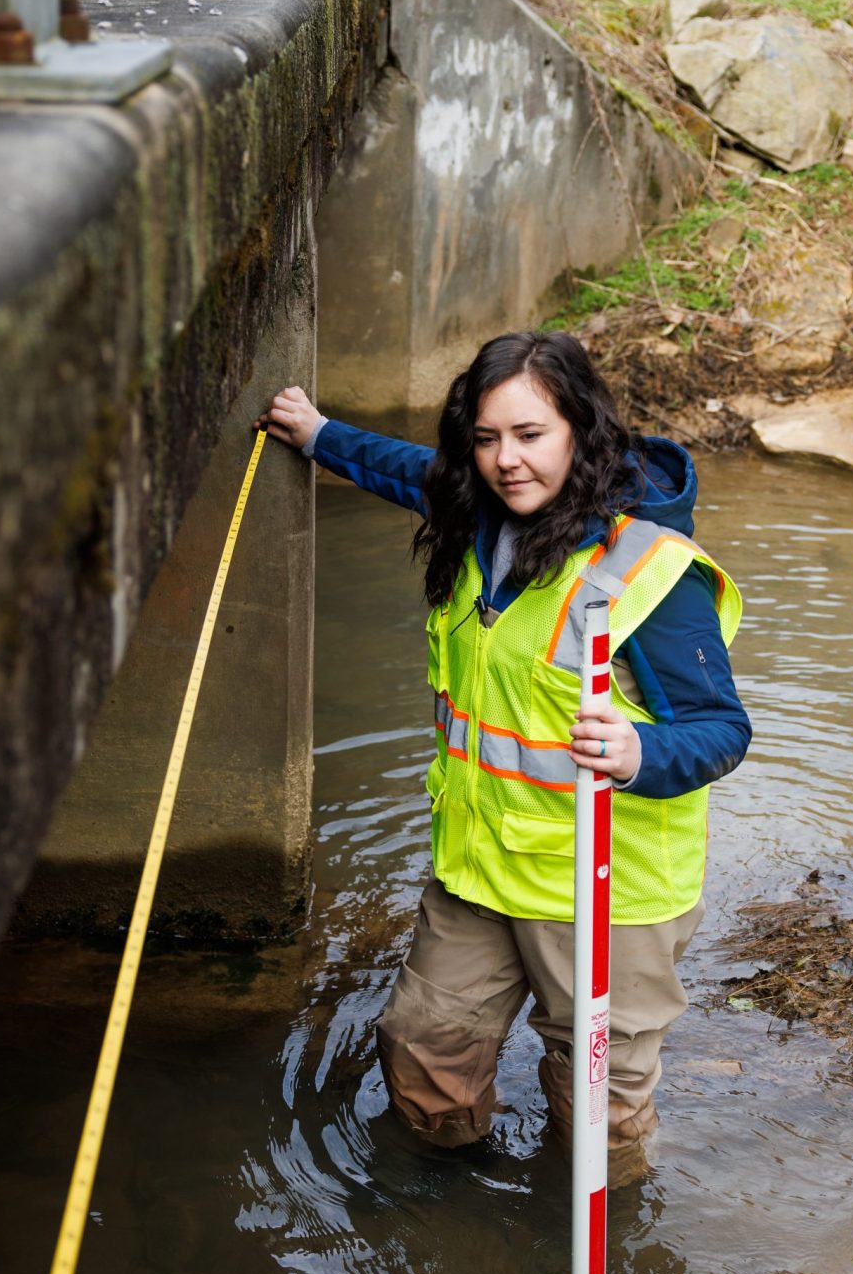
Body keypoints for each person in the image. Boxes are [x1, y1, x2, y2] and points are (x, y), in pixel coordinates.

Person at [263, 330, 750, 1183]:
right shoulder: (473, 512)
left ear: (580, 433)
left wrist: (639, 748)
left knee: (600, 1112)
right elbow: (406, 467)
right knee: (423, 1053)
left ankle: (603, 1227)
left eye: (530, 436)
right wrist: (320, 436)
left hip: (608, 892)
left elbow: (721, 729)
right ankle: (456, 1211)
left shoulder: (650, 574)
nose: (506, 461)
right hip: (482, 868)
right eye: (486, 439)